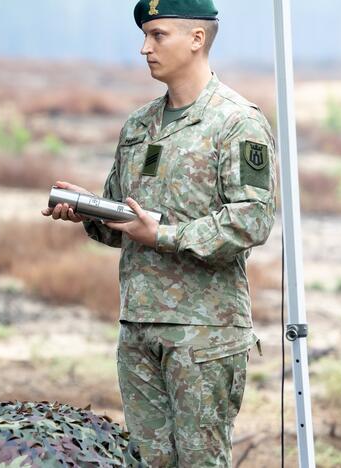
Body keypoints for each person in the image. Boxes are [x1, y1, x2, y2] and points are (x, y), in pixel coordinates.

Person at [42, 0, 276, 465]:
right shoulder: (138, 125)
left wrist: (163, 235)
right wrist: (89, 211)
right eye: (145, 35)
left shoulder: (237, 122)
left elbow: (252, 221)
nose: (145, 48)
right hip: (139, 326)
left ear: (197, 39)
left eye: (158, 35)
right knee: (147, 459)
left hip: (204, 333)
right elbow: (124, 226)